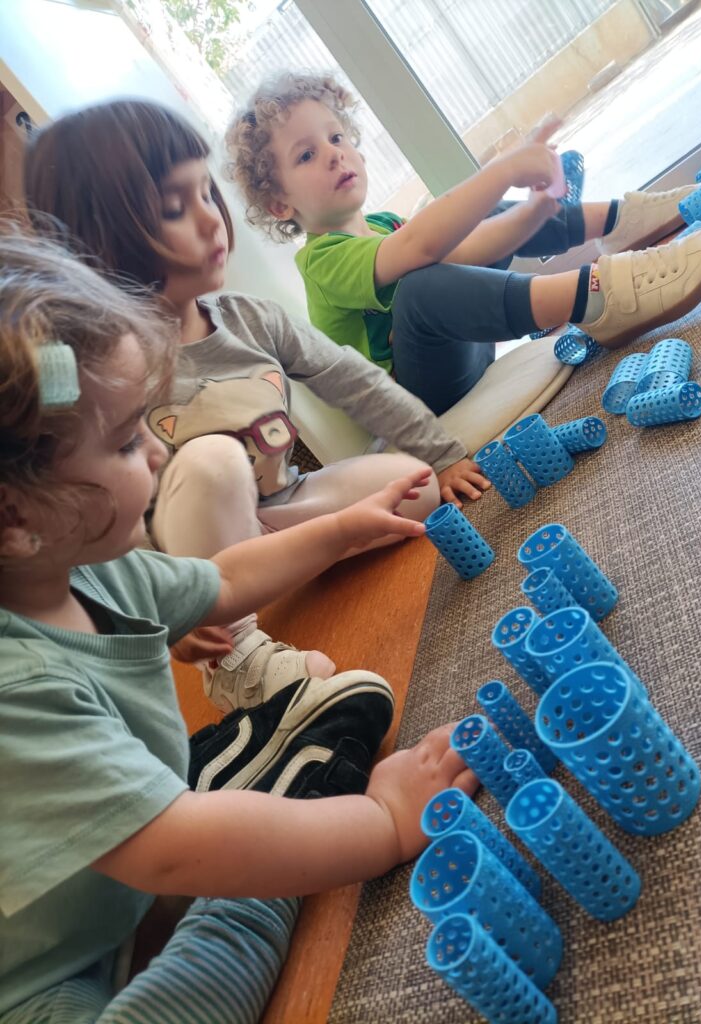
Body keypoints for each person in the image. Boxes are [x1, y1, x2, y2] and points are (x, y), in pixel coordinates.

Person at [0, 227, 477, 1023]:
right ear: (15, 519)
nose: (157, 455)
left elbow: (221, 581)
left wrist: (340, 528)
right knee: (215, 943)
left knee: (207, 845)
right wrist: (383, 821)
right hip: (40, 977)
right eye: (125, 442)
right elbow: (173, 851)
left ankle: (235, 795)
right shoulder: (16, 689)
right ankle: (262, 805)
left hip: (123, 880)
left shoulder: (82, 567)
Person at [23, 98, 490, 715]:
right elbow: (97, 511)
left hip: (280, 507)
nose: (211, 221)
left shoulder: (250, 318)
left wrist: (444, 454)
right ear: (98, 245)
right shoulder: (106, 372)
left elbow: (355, 381)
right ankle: (238, 659)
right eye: (174, 208)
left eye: (206, 193)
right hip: (193, 564)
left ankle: (288, 567)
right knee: (212, 461)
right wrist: (168, 606)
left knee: (415, 485)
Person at [225, 71, 701, 415]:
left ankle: (620, 220)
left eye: (336, 137)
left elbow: (467, 250)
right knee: (421, 283)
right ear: (279, 205)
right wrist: (503, 170)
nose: (334, 154)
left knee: (472, 222)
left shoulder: (382, 224)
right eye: (306, 155)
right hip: (423, 398)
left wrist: (532, 212)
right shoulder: (322, 261)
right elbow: (423, 249)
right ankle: (598, 297)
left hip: (465, 352)